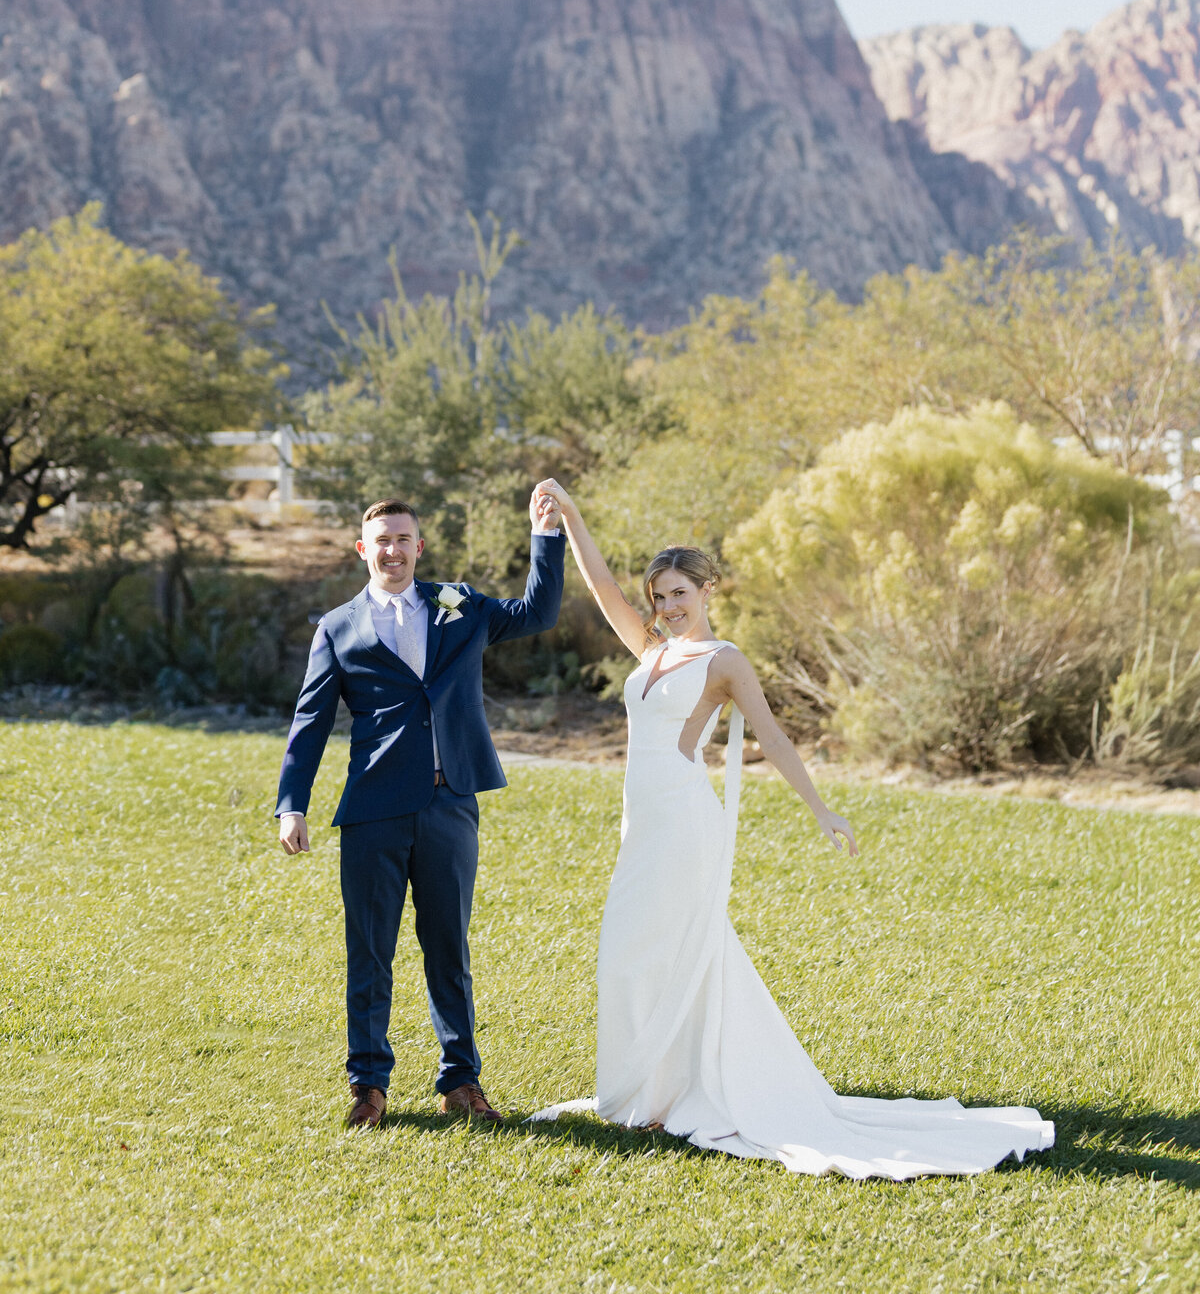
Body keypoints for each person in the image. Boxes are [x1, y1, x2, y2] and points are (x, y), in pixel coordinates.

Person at [532, 481, 1054, 1180]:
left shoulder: (723, 660)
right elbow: (600, 586)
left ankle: (672, 1096)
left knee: (670, 949)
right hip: (642, 824)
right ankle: (652, 1091)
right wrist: (571, 518)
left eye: (681, 591)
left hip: (687, 824)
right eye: (660, 595)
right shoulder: (651, 649)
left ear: (708, 589)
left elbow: (773, 739)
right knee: (632, 952)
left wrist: (822, 811)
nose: (668, 605)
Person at [276, 488, 565, 1129]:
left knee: (447, 947)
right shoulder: (337, 627)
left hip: (449, 803)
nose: (393, 549)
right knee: (370, 950)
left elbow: (538, 612)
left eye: (404, 539)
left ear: (418, 547)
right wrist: (291, 804)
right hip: (374, 809)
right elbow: (311, 721)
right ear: (363, 550)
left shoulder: (456, 605)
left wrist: (545, 537)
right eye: (382, 540)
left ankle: (461, 1082)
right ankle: (369, 1087)